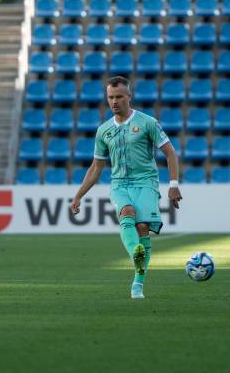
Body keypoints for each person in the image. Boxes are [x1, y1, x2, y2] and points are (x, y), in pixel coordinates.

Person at [70, 76, 182, 299]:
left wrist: (173, 185)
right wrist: (78, 196)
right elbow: (95, 167)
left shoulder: (147, 122)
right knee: (127, 213)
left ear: (128, 97)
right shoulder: (104, 131)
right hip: (120, 184)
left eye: (119, 97)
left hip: (146, 182)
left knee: (142, 228)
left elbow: (170, 152)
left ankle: (138, 283)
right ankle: (135, 252)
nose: (114, 101)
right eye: (110, 97)